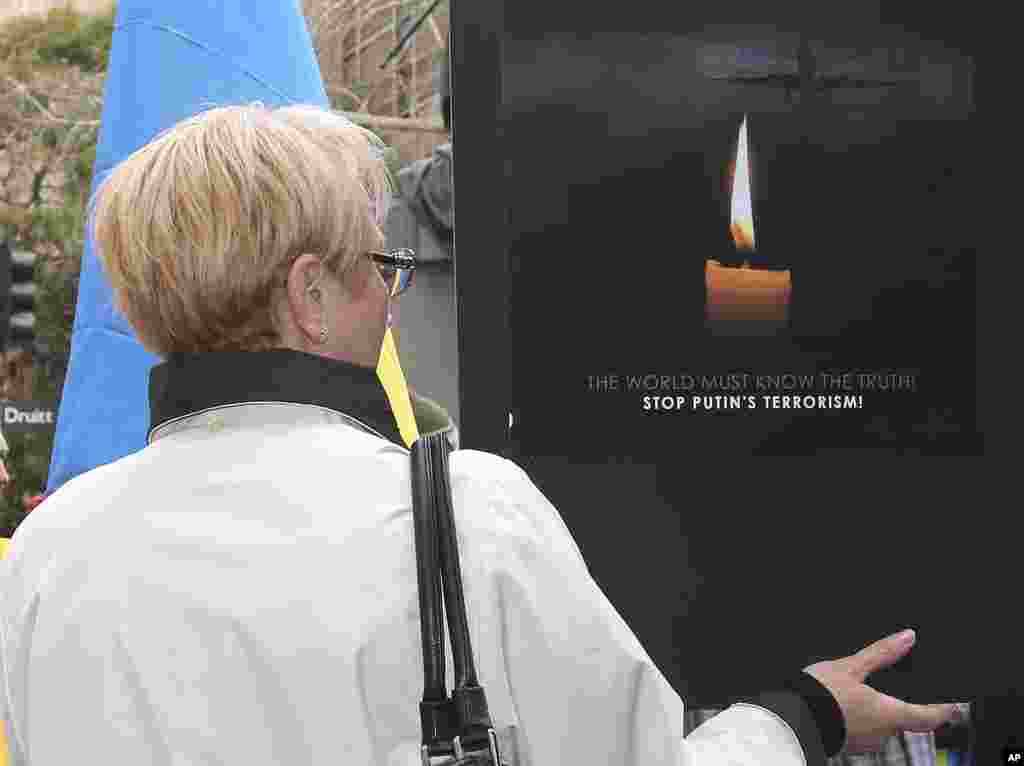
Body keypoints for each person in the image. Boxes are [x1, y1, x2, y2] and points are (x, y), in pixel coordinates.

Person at [0, 103, 956, 765]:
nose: (391, 293)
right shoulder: (463, 510)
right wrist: (809, 711)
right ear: (310, 292)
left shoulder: (46, 556)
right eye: (380, 264)